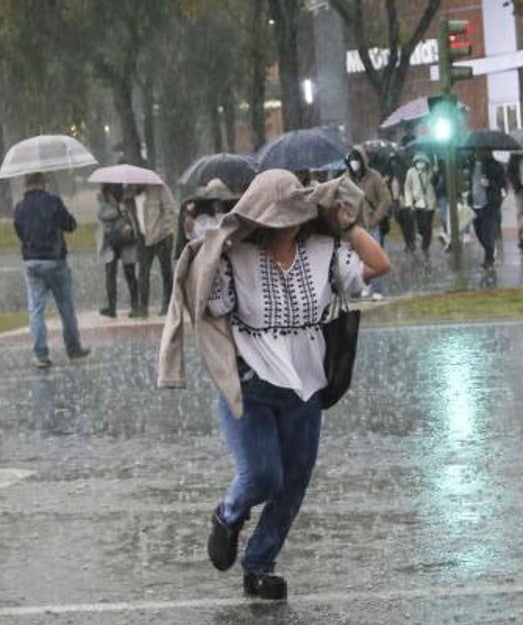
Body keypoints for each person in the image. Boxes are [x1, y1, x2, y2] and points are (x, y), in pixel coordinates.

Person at [156, 169, 391, 600]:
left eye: (293, 215)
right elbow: (208, 304)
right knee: (264, 475)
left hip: (306, 385)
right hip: (251, 383)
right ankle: (228, 515)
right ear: (258, 217)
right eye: (275, 216)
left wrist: (349, 226)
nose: (285, 224)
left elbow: (379, 264)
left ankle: (260, 564)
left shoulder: (325, 251)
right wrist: (210, 253)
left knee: (294, 482)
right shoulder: (236, 257)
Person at [12, 171, 90, 369]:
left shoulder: (20, 207)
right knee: (66, 307)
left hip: (32, 261)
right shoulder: (53, 202)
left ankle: (41, 354)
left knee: (36, 309)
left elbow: (20, 231)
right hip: (55, 260)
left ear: (26, 184)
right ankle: (73, 348)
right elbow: (70, 225)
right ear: (43, 183)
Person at [344, 146, 392, 299]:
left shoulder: (374, 177)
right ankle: (359, 287)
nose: (354, 164)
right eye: (352, 161)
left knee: (374, 256)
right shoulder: (346, 179)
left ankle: (377, 289)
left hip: (371, 224)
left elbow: (385, 199)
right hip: (354, 227)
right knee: (354, 259)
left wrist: (375, 218)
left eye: (357, 161)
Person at [126, 180, 179, 317]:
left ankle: (167, 305)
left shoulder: (159, 188)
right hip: (142, 239)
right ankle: (143, 307)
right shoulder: (129, 194)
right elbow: (130, 216)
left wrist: (165, 229)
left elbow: (171, 210)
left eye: (137, 182)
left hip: (162, 238)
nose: (134, 185)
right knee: (143, 273)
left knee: (166, 272)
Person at [96, 183, 138, 318]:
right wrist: (119, 211)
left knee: (129, 271)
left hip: (127, 238)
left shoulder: (129, 195)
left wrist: (129, 223)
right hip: (110, 239)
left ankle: (135, 305)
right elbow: (102, 214)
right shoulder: (103, 197)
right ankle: (111, 307)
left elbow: (135, 215)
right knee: (110, 273)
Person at [470, 148, 507, 269]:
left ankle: (489, 259)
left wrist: (490, 183)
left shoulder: (496, 166)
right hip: (474, 205)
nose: (478, 153)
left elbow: (503, 185)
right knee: (479, 233)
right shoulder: (470, 165)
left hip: (489, 205)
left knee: (488, 233)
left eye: (481, 151)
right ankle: (490, 250)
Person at [402, 153, 438, 259]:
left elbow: (435, 182)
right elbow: (407, 187)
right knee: (420, 225)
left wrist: (436, 173)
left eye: (422, 162)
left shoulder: (430, 172)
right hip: (418, 203)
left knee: (427, 225)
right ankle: (422, 237)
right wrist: (409, 202)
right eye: (418, 162)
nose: (420, 164)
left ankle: (425, 245)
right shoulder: (411, 172)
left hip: (429, 203)